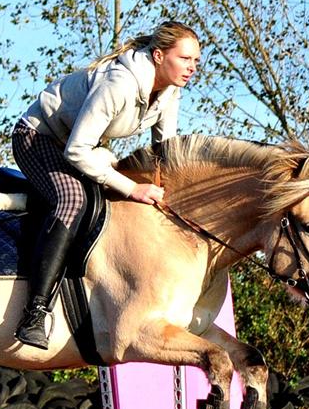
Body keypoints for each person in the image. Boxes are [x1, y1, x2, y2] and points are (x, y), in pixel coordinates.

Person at [12, 21, 201, 350]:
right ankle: (35, 313)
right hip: (38, 138)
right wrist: (133, 188)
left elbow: (164, 154)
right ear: (159, 55)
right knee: (72, 199)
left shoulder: (171, 91)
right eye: (185, 59)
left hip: (81, 145)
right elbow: (75, 151)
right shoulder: (120, 83)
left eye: (196, 61)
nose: (191, 68)